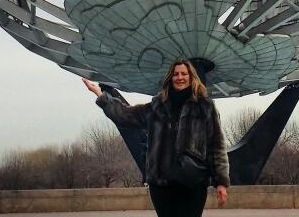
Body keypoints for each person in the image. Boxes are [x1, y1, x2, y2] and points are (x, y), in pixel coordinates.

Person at [83, 59, 229, 217]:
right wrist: (101, 95)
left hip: (193, 182)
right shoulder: (157, 106)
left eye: (184, 74)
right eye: (175, 74)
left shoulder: (205, 106)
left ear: (191, 77)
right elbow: (126, 115)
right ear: (170, 78)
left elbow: (216, 145)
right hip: (161, 183)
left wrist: (221, 181)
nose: (179, 77)